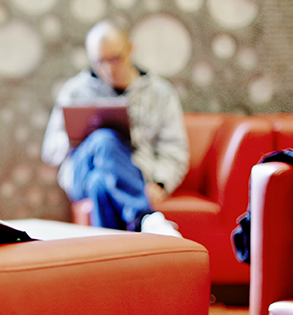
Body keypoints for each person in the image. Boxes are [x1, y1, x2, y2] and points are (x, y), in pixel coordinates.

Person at [40, 19, 189, 236]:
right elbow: (50, 150)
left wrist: (160, 182)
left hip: (135, 173)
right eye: (99, 62)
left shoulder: (160, 93)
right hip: (82, 171)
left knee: (100, 184)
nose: (108, 68)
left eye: (115, 58)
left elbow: (174, 149)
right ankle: (146, 218)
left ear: (130, 48)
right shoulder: (75, 91)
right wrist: (79, 135)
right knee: (104, 140)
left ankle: (114, 262)